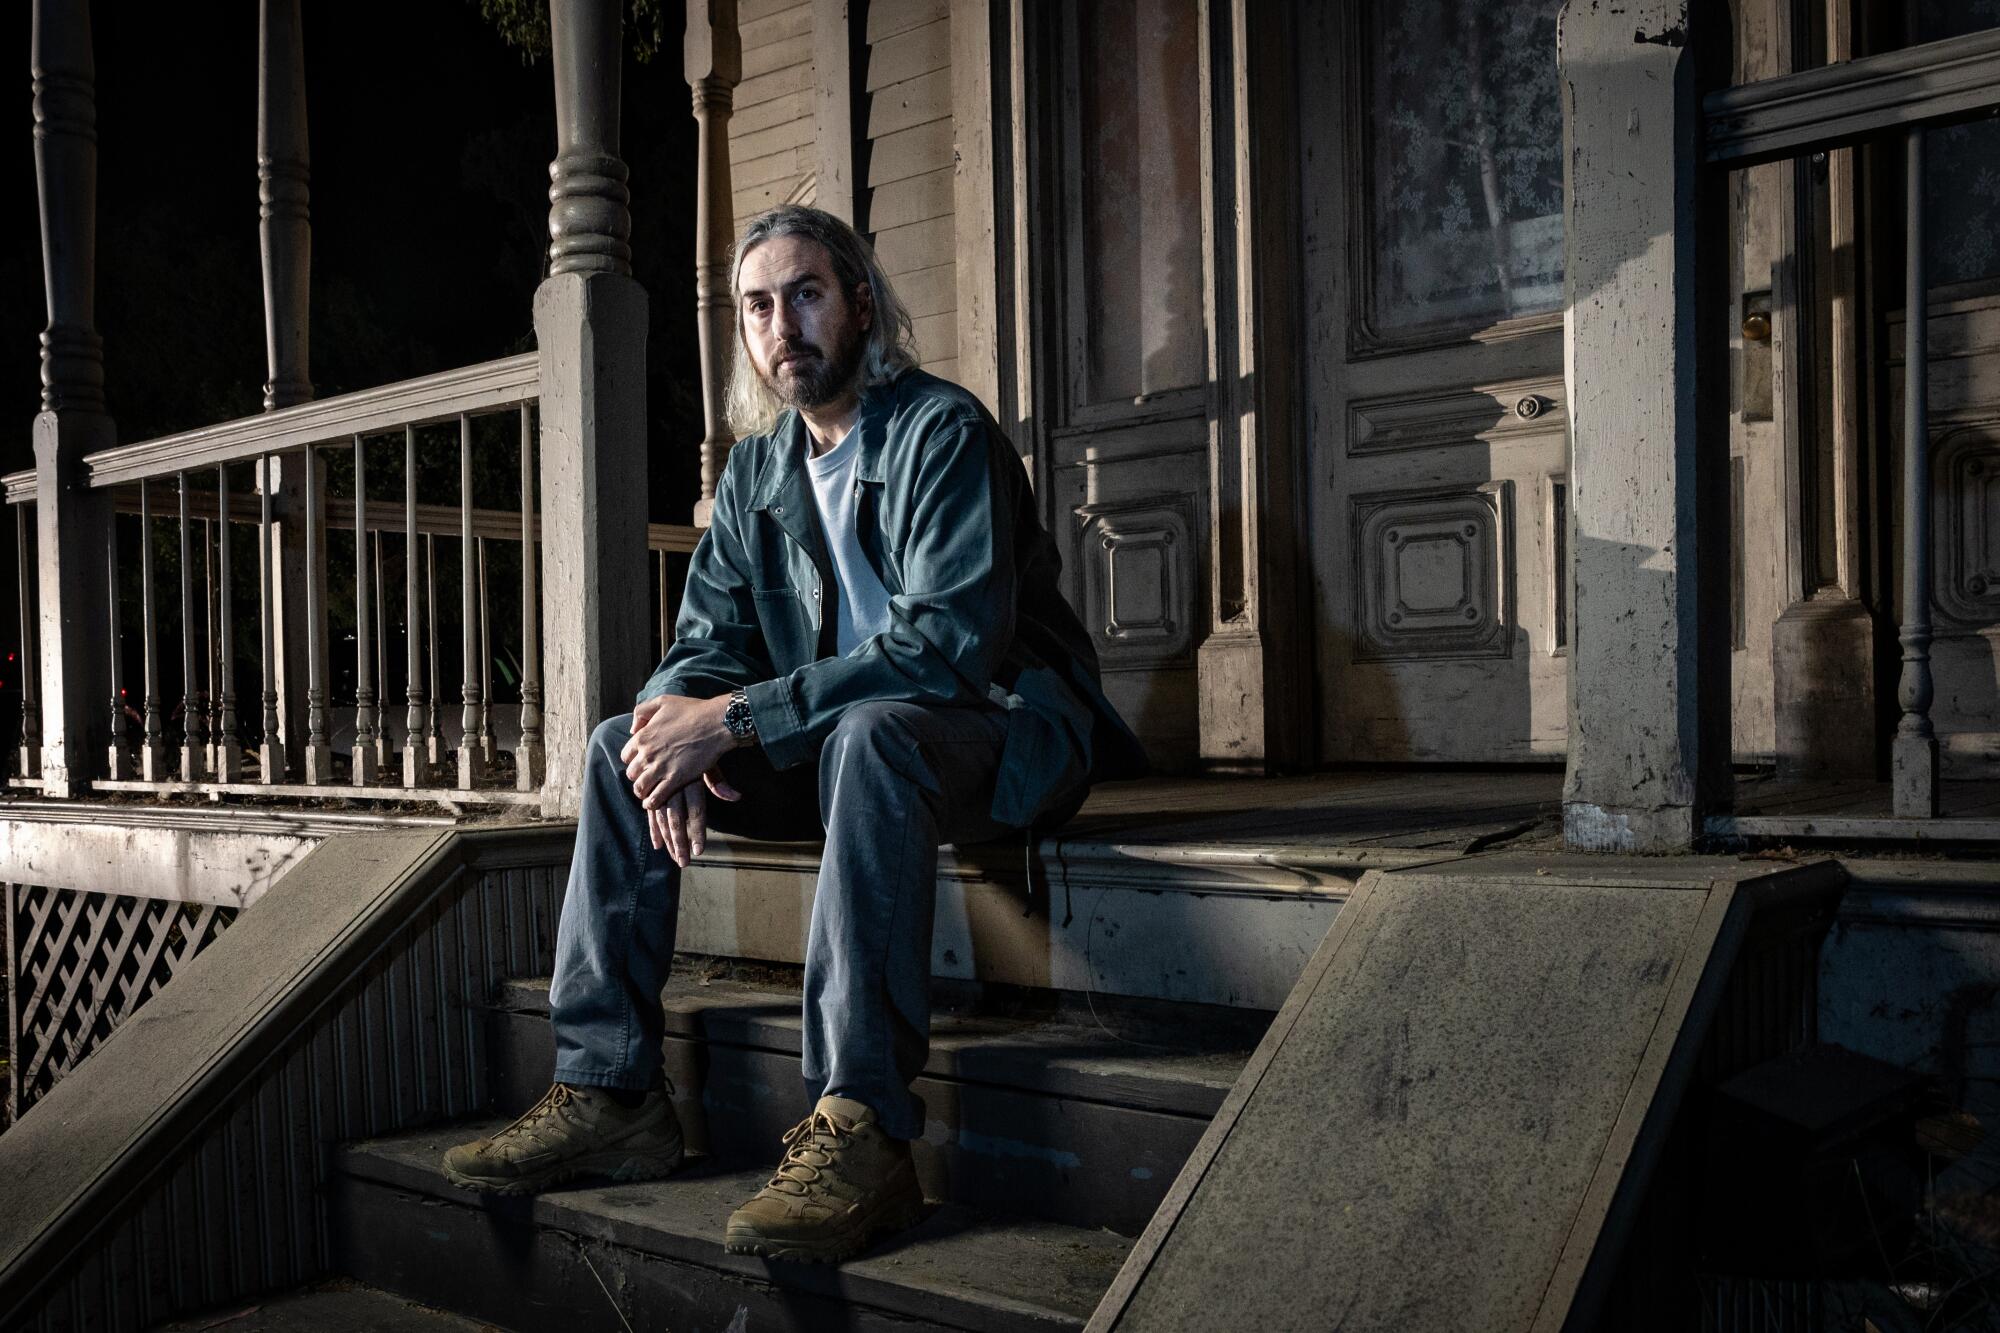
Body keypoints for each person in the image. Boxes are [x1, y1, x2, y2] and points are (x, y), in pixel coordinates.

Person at [440, 204, 1145, 1263]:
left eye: (805, 294)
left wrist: (731, 718)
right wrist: (671, 734)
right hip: (850, 747)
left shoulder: (938, 434)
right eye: (757, 307)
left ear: (860, 305)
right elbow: (703, 645)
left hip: (999, 736)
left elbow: (945, 649)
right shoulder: (755, 473)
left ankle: (858, 1121)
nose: (782, 327)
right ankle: (607, 1089)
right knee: (612, 745)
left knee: (869, 731)